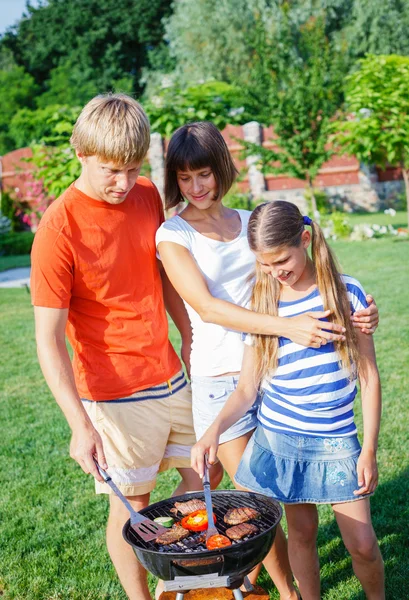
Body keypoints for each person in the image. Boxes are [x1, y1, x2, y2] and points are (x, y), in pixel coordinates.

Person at [155, 122, 379, 598]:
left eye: (205, 174)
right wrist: (288, 327)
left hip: (278, 372)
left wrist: (356, 306)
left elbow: (304, 252)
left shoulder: (249, 221)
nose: (196, 188)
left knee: (279, 499)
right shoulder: (173, 233)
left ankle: (274, 585)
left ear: (223, 169)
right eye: (185, 178)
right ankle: (287, 590)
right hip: (225, 376)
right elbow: (209, 308)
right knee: (259, 504)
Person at [30, 94, 208, 600]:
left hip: (169, 372)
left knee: (207, 468)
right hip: (113, 394)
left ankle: (183, 571)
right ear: (80, 153)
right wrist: (79, 425)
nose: (123, 184)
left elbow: (163, 272)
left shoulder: (148, 194)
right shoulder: (57, 229)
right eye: (111, 170)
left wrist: (189, 335)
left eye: (132, 169)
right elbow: (48, 340)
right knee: (131, 503)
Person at [191, 200, 384, 600]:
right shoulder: (262, 306)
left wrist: (368, 449)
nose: (275, 272)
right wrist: (213, 431)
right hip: (283, 439)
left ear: (306, 239)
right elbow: (247, 389)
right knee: (301, 533)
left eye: (281, 260)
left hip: (337, 441)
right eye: (264, 264)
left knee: (362, 543)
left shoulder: (348, 294)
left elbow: (368, 376)